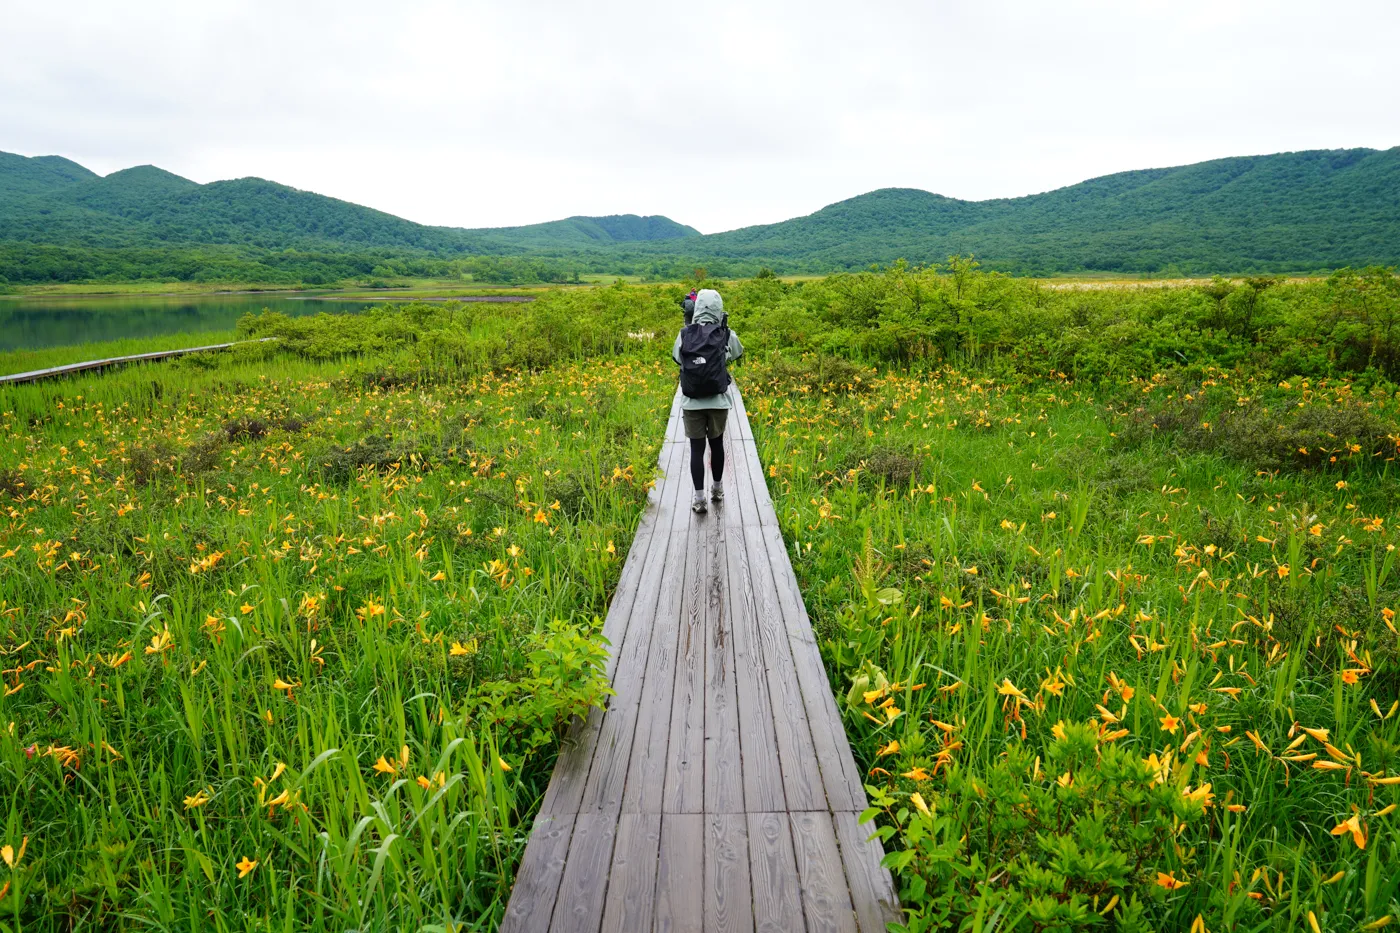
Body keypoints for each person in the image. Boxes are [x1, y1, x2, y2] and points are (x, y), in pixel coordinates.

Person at [672, 288, 743, 514]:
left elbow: (677, 357)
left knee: (696, 449)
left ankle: (699, 499)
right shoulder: (725, 333)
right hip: (718, 402)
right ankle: (717, 490)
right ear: (718, 308)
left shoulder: (685, 333)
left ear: (696, 308)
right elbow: (737, 353)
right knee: (717, 445)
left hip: (692, 402)